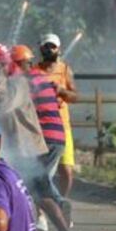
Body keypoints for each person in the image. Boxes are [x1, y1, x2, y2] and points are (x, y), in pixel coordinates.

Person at [12, 45, 81, 231]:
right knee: (36, 186)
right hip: (55, 137)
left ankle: (60, 203)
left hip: (45, 139)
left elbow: (9, 111)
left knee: (32, 184)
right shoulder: (39, 76)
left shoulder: (24, 82)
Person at [35, 34, 78, 198]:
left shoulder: (65, 70)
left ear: (58, 49)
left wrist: (61, 91)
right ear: (41, 49)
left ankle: (61, 202)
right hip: (41, 127)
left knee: (66, 171)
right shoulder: (34, 71)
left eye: (52, 46)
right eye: (46, 46)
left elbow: (75, 97)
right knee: (42, 172)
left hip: (62, 126)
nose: (49, 50)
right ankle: (42, 214)